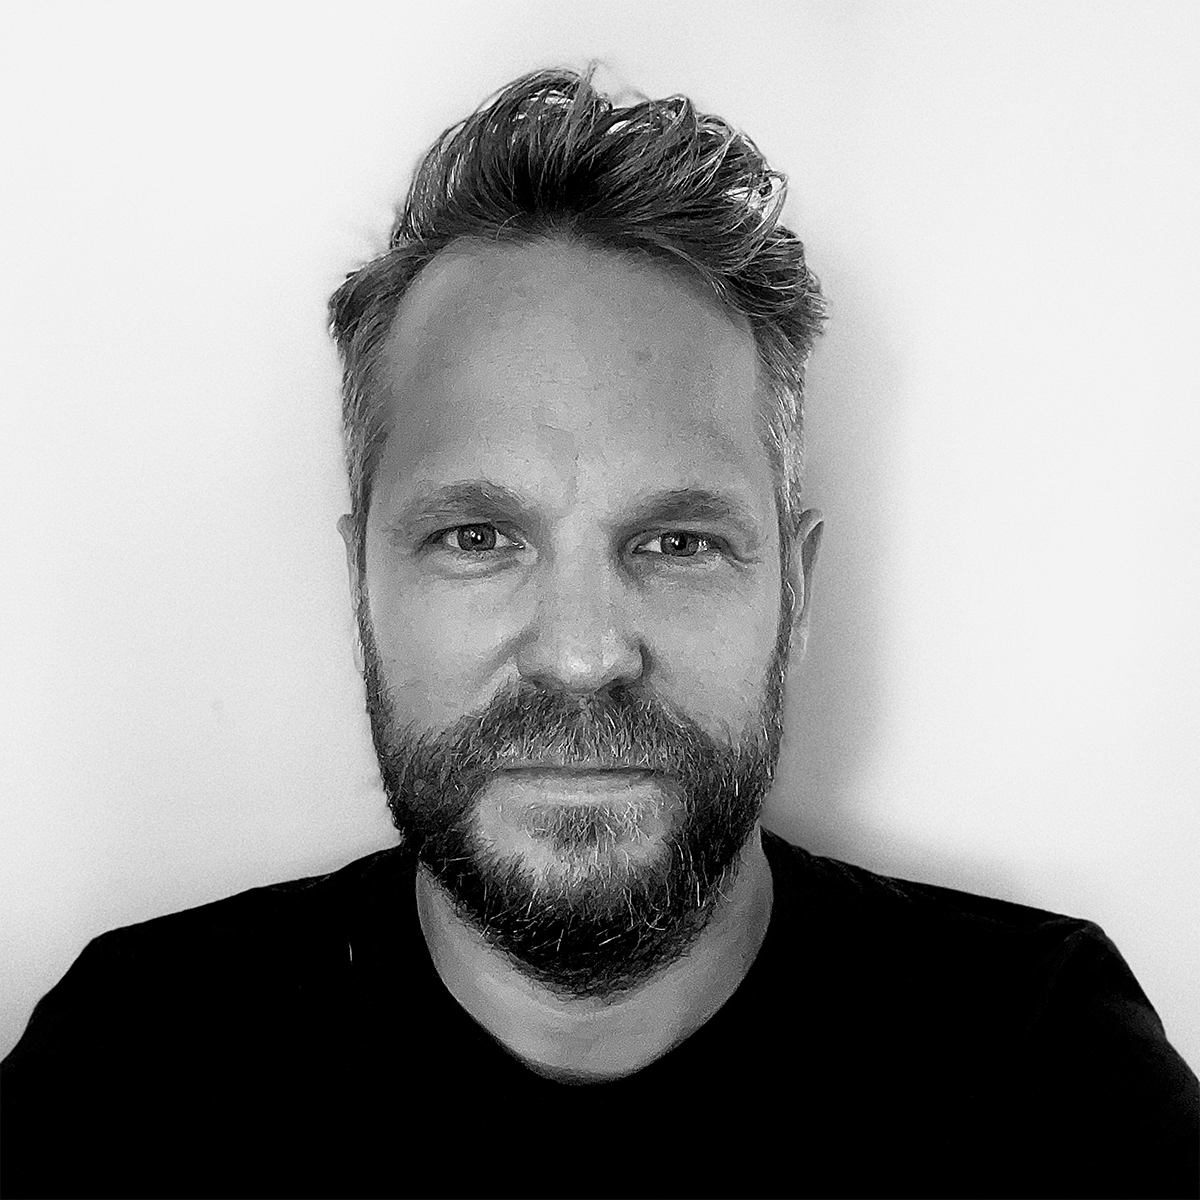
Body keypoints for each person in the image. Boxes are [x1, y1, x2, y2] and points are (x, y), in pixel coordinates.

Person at [2, 67, 1197, 1180]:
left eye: (676, 544)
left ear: (799, 590)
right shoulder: (125, 1077)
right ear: (359, 581)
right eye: (478, 538)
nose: (582, 655)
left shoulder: (1049, 1080)